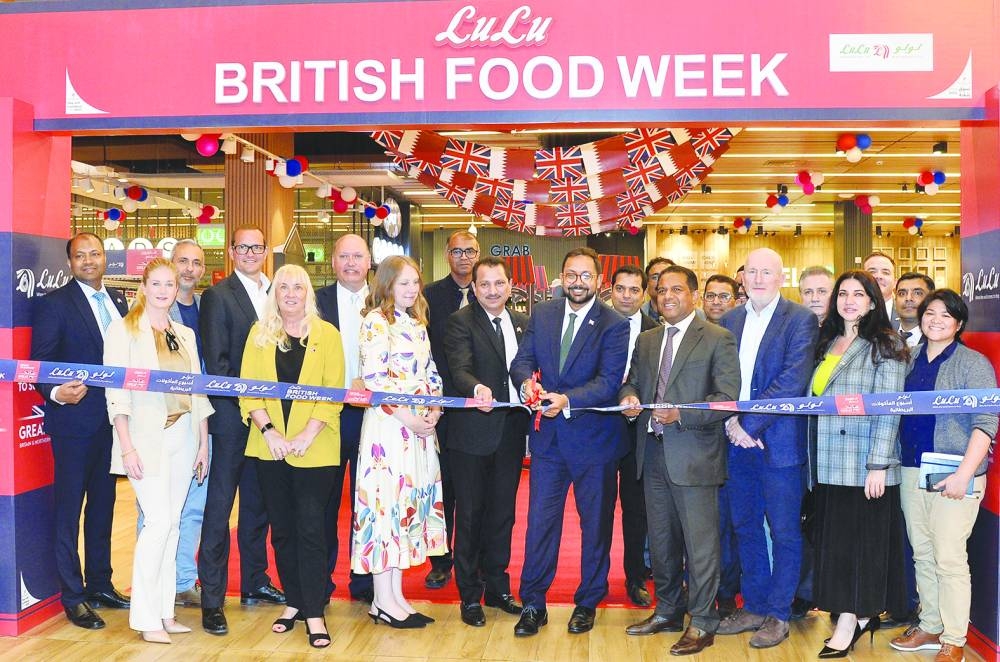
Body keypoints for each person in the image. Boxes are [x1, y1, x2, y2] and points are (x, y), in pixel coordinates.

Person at [620, 265, 741, 656]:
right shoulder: (648, 339)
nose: (667, 296)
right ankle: (668, 610)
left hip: (694, 455)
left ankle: (703, 620)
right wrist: (628, 398)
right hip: (652, 453)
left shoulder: (718, 338)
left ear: (694, 294)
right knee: (662, 543)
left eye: (677, 290)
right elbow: (632, 380)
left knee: (700, 545)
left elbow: (726, 398)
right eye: (661, 290)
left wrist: (682, 415)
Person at [509, 247, 630, 637]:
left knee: (595, 526)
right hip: (548, 443)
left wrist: (567, 400)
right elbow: (521, 360)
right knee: (540, 524)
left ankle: (587, 602)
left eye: (586, 275)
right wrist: (527, 381)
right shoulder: (542, 314)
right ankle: (533, 603)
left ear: (599, 281)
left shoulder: (614, 324)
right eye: (571, 274)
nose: (578, 282)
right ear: (562, 278)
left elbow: (609, 382)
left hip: (594, 442)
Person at [104, 258, 213, 644]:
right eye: (157, 283)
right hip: (144, 439)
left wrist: (202, 442)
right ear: (144, 287)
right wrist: (127, 445)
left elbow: (197, 390)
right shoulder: (123, 330)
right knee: (158, 523)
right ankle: (146, 616)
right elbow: (115, 393)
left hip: (184, 435)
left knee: (174, 524)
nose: (165, 290)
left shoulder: (184, 333)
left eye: (170, 284)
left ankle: (166, 611)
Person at [716, 248, 818, 649]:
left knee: (784, 531)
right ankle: (755, 605)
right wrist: (730, 421)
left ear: (780, 277)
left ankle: (778, 613)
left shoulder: (800, 320)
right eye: (752, 272)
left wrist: (749, 423)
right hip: (735, 443)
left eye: (767, 272)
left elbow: (793, 380)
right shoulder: (729, 321)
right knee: (744, 527)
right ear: (742, 278)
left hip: (779, 446)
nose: (758, 278)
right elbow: (720, 379)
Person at [890, 289, 998, 662]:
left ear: (959, 323)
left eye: (945, 315)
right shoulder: (910, 359)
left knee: (950, 556)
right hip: (912, 468)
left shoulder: (973, 363)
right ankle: (931, 624)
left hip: (955, 473)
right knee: (922, 553)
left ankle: (954, 637)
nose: (935, 320)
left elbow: (986, 422)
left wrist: (964, 474)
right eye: (929, 313)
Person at [240, 264, 344, 649]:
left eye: (297, 287)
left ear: (308, 293)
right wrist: (270, 433)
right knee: (282, 531)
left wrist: (305, 434)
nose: (290, 293)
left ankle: (314, 611)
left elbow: (333, 392)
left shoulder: (327, 335)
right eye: (282, 286)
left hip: (315, 448)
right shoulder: (259, 335)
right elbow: (249, 390)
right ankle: (294, 601)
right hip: (269, 448)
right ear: (274, 293)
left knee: (312, 530)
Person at [31, 232, 131, 629]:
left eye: (95, 253)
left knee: (104, 508)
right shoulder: (54, 305)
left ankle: (100, 584)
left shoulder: (119, 301)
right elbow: (39, 362)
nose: (88, 261)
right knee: (70, 510)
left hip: (114, 423)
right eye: (79, 256)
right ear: (69, 263)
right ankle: (73, 596)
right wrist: (55, 392)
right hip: (73, 425)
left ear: (105, 258)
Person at [810, 270, 909, 658]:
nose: (849, 300)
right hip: (827, 463)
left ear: (872, 301)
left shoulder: (885, 344)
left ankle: (850, 620)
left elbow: (888, 411)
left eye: (859, 294)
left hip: (863, 465)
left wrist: (878, 464)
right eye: (844, 293)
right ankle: (856, 615)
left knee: (856, 549)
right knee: (835, 548)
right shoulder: (828, 341)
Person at [198, 226, 285, 636]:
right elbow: (217, 365)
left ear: (266, 251)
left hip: (267, 421)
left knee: (258, 505)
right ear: (232, 251)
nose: (251, 252)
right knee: (219, 511)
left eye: (258, 246)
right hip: (233, 421)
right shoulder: (217, 296)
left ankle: (255, 581)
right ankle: (212, 601)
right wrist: (249, 409)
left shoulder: (276, 293)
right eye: (243, 246)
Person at [352, 255, 446, 629]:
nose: (411, 289)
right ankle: (382, 598)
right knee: (385, 509)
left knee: (407, 506)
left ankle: (392, 597)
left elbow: (431, 372)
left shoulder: (416, 322)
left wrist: (434, 410)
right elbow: (373, 380)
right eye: (403, 283)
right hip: (389, 429)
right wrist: (408, 416)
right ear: (387, 285)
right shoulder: (375, 322)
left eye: (415, 283)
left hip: (419, 429)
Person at [443, 256, 530, 627]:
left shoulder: (524, 324)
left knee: (502, 516)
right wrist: (476, 388)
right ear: (474, 288)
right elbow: (459, 367)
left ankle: (498, 586)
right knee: (471, 515)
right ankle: (469, 595)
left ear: (510, 286)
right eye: (485, 285)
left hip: (511, 432)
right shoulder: (459, 322)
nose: (493, 291)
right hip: (471, 434)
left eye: (499, 283)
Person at [315, 234, 376, 604]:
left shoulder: (383, 301)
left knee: (366, 501)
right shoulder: (316, 302)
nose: (351, 263)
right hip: (328, 414)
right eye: (344, 256)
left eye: (358, 256)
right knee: (321, 502)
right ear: (333, 261)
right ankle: (319, 582)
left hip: (373, 416)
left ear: (369, 261)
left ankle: (365, 581)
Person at [422, 230, 480, 589]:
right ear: (447, 255)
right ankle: (440, 560)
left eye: (470, 251)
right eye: (457, 251)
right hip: (438, 406)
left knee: (471, 487)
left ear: (478, 254)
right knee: (441, 486)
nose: (463, 257)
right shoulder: (430, 296)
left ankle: (470, 559)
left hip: (477, 407)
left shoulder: (489, 292)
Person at [607, 264, 658, 607]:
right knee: (596, 509)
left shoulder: (657, 332)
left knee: (637, 510)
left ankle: (635, 577)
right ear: (610, 290)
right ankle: (593, 577)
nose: (626, 295)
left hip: (641, 431)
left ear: (644, 294)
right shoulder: (595, 325)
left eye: (633, 290)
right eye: (620, 288)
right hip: (600, 429)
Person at [169, 239, 209, 608]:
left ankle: (183, 581)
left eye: (196, 262)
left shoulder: (204, 307)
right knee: (161, 509)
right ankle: (159, 582)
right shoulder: (154, 312)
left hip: (199, 423)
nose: (189, 269)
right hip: (166, 425)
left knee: (194, 506)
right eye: (183, 261)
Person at [894, 272, 935, 348]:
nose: (908, 298)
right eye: (902, 294)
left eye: (917, 293)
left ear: (931, 299)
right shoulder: (883, 338)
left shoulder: (940, 341)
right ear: (895, 299)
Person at [864, 251, 898, 324]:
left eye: (885, 273)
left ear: (895, 282)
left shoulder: (911, 314)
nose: (878, 276)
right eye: (872, 272)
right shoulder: (850, 312)